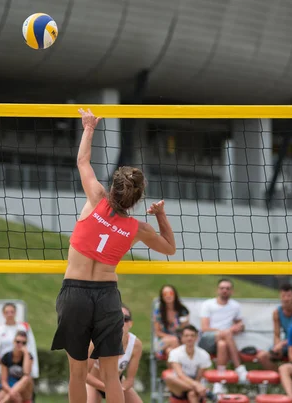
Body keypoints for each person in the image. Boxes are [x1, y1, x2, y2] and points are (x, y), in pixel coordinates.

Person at [50, 108, 176, 403]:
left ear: (114, 187)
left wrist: (89, 127)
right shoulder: (137, 228)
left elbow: (82, 160)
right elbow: (169, 248)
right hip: (107, 296)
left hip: (76, 292)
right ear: (137, 198)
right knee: (110, 376)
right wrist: (160, 216)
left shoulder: (95, 197)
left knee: (77, 374)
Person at [86, 304, 143, 403]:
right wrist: (106, 388)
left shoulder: (135, 344)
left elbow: (130, 379)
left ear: (130, 324)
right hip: (94, 384)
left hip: (118, 383)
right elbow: (84, 374)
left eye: (125, 319)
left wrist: (122, 388)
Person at [0, 303, 39, 401]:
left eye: (12, 312)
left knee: (27, 378)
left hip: (21, 364)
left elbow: (31, 347)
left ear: (16, 313)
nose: (10, 314)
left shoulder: (23, 327)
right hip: (5, 364)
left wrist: (33, 368)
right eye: (7, 312)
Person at [198, 279, 248, 381]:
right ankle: (238, 367)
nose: (224, 290)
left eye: (227, 288)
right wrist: (227, 331)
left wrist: (239, 327)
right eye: (222, 288)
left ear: (232, 291)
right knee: (227, 334)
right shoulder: (208, 304)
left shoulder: (235, 306)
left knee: (222, 345)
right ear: (217, 290)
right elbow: (204, 328)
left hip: (223, 341)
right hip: (207, 340)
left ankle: (219, 380)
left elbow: (240, 324)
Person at [164, 325, 214, 403]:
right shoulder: (175, 353)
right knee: (169, 378)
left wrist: (197, 385)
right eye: (186, 336)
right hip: (180, 385)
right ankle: (206, 393)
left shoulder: (204, 354)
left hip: (196, 385)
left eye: (192, 336)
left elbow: (199, 377)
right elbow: (180, 374)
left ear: (196, 337)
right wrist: (196, 386)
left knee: (192, 394)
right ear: (182, 337)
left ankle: (197, 390)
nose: (189, 338)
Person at [257, 283, 292, 370]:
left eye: (289, 296)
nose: (286, 299)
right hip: (286, 345)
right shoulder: (277, 312)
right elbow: (277, 334)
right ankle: (280, 376)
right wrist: (277, 346)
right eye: (283, 296)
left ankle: (287, 375)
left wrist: (282, 344)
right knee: (262, 356)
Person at [153, 284, 190, 358]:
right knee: (173, 341)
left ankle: (173, 369)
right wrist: (172, 338)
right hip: (163, 341)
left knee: (170, 351)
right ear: (162, 297)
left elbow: (186, 330)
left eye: (171, 293)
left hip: (180, 341)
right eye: (165, 294)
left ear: (175, 295)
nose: (168, 296)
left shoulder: (182, 311)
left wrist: (183, 326)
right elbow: (157, 332)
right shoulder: (158, 311)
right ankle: (179, 369)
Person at [0, 331, 34, 403]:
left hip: (25, 388)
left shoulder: (29, 357)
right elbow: (3, 381)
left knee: (27, 378)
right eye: (18, 342)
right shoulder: (6, 357)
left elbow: (26, 373)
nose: (20, 345)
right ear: (14, 341)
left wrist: (26, 353)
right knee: (1, 395)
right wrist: (12, 393)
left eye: (24, 343)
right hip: (10, 386)